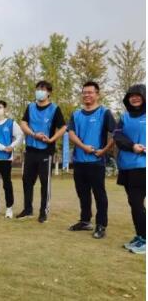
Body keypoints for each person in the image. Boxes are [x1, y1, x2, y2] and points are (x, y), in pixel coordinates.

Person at [67, 81, 116, 239]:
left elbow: (116, 134)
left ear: (97, 94)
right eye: (84, 92)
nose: (87, 95)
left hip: (96, 162)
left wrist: (104, 151)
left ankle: (101, 225)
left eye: (90, 92)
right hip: (79, 161)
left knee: (99, 194)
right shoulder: (76, 114)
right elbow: (71, 133)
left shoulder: (104, 113)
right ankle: (85, 221)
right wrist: (83, 147)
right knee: (82, 193)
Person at [16, 81, 66, 223]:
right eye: (38, 89)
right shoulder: (30, 107)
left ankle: (43, 212)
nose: (40, 91)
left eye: (43, 89)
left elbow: (63, 127)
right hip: (30, 150)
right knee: (27, 180)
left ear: (49, 92)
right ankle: (27, 209)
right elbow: (23, 123)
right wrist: (33, 134)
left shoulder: (55, 109)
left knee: (45, 182)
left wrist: (52, 139)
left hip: (45, 151)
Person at [113, 84, 146, 254]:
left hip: (142, 166)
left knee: (136, 202)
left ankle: (145, 238)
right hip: (126, 166)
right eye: (131, 95)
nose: (134, 98)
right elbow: (117, 136)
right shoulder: (124, 117)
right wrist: (132, 146)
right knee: (133, 202)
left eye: (138, 95)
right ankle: (140, 236)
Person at [0, 100, 24, 218]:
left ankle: (9, 208)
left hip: (6, 159)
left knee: (7, 184)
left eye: (0, 107)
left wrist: (12, 146)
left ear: (5, 109)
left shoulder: (11, 123)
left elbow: (20, 136)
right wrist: (4, 148)